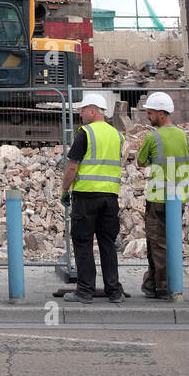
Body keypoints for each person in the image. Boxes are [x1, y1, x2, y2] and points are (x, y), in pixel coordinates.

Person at [61, 92, 125, 304]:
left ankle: (85, 291)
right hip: (110, 197)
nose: (80, 114)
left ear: (92, 110)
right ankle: (114, 291)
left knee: (82, 242)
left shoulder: (85, 133)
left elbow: (72, 166)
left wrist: (64, 191)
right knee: (107, 243)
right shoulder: (117, 135)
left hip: (86, 196)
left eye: (82, 110)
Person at [135, 91, 189, 299]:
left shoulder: (153, 136)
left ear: (161, 114)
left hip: (158, 197)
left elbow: (140, 162)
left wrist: (151, 161)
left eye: (150, 113)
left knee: (157, 242)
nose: (147, 117)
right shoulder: (182, 135)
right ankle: (154, 282)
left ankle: (161, 285)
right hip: (179, 197)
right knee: (172, 240)